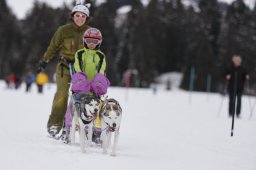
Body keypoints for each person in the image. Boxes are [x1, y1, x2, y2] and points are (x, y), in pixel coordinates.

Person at [36, 1, 91, 137]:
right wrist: (44, 60)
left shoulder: (89, 32)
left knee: (87, 96)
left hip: (82, 69)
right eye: (77, 15)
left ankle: (89, 128)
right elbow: (53, 46)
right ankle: (55, 124)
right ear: (73, 16)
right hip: (64, 67)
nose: (80, 18)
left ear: (86, 18)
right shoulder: (63, 30)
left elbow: (95, 51)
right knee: (61, 94)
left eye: (83, 16)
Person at [60, 27, 110, 144]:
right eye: (89, 41)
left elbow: (102, 69)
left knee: (97, 108)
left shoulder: (101, 56)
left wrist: (97, 82)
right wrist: (82, 81)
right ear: (84, 41)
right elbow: (77, 67)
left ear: (99, 42)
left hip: (94, 87)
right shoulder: (80, 53)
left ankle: (96, 131)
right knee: (72, 106)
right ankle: (67, 129)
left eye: (95, 42)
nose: (92, 44)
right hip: (81, 85)